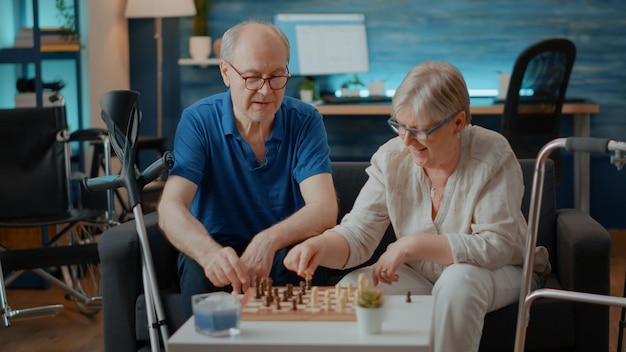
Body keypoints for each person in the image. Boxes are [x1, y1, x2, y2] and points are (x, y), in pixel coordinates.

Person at [283, 61, 550, 351]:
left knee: (458, 282)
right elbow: (358, 232)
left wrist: (412, 245)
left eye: (420, 130)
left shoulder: (492, 154)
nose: (406, 141)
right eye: (399, 126)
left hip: (502, 270)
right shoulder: (391, 158)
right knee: (352, 290)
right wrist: (319, 246)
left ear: (458, 122)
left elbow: (497, 245)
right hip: (424, 274)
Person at [158, 20, 338, 318]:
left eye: (277, 76)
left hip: (283, 247)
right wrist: (207, 252)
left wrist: (267, 240)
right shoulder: (198, 120)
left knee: (302, 260)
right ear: (226, 72)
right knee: (199, 271)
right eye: (253, 77)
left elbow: (324, 208)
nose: (266, 91)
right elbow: (170, 207)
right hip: (216, 246)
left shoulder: (305, 120)